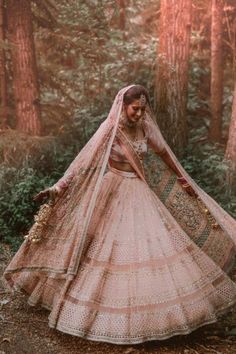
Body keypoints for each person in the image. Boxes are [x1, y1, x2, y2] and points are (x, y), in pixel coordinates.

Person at [3, 85, 236, 345]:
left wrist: (184, 181)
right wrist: (58, 187)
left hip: (138, 192)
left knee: (148, 249)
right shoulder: (110, 129)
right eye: (135, 109)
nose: (139, 114)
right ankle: (98, 317)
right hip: (111, 190)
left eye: (143, 109)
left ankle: (152, 319)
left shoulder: (146, 126)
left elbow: (163, 153)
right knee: (98, 250)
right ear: (123, 105)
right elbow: (83, 162)